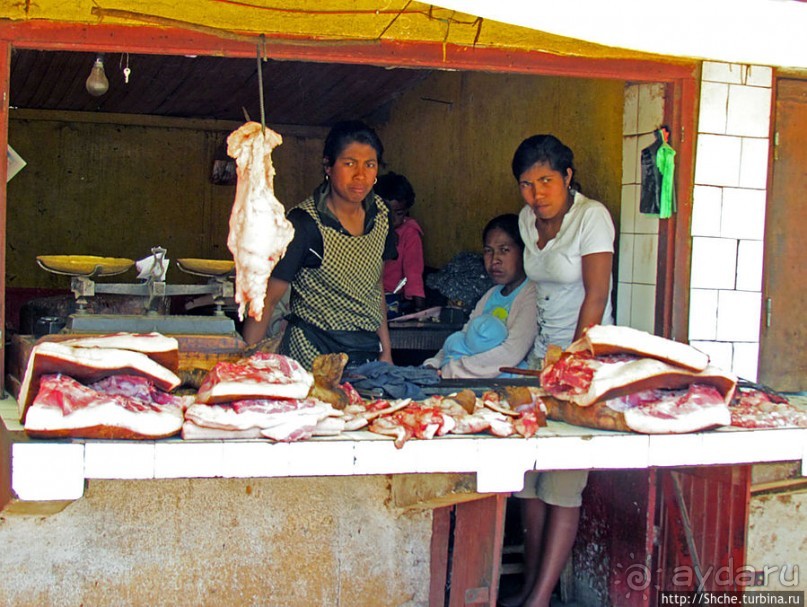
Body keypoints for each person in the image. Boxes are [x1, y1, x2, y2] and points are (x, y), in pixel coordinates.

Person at [501, 134, 615, 607]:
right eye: (527, 184)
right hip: (537, 365)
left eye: (546, 181)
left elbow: (596, 295)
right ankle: (530, 583)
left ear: (567, 177)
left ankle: (540, 598)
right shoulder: (528, 222)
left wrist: (566, 367)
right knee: (527, 480)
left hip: (581, 365)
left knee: (563, 484)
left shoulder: (593, 218)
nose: (536, 194)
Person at [242, 120, 397, 369]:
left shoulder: (381, 215)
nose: (360, 175)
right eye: (349, 163)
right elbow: (269, 299)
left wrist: (386, 352)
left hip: (365, 355)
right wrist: (244, 361)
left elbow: (375, 286)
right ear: (328, 166)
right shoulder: (304, 224)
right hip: (311, 353)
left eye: (369, 165)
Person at [423, 214, 537, 379]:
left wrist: (450, 371)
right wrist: (434, 363)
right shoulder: (491, 294)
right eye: (488, 251)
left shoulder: (531, 294)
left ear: (524, 252)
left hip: (509, 387)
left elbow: (511, 353)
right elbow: (464, 336)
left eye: (504, 250)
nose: (494, 260)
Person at [377, 171, 426, 314]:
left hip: (395, 299)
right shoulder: (369, 230)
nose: (391, 220)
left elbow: (413, 272)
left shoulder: (410, 234)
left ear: (406, 210)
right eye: (385, 213)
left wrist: (419, 308)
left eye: (398, 214)